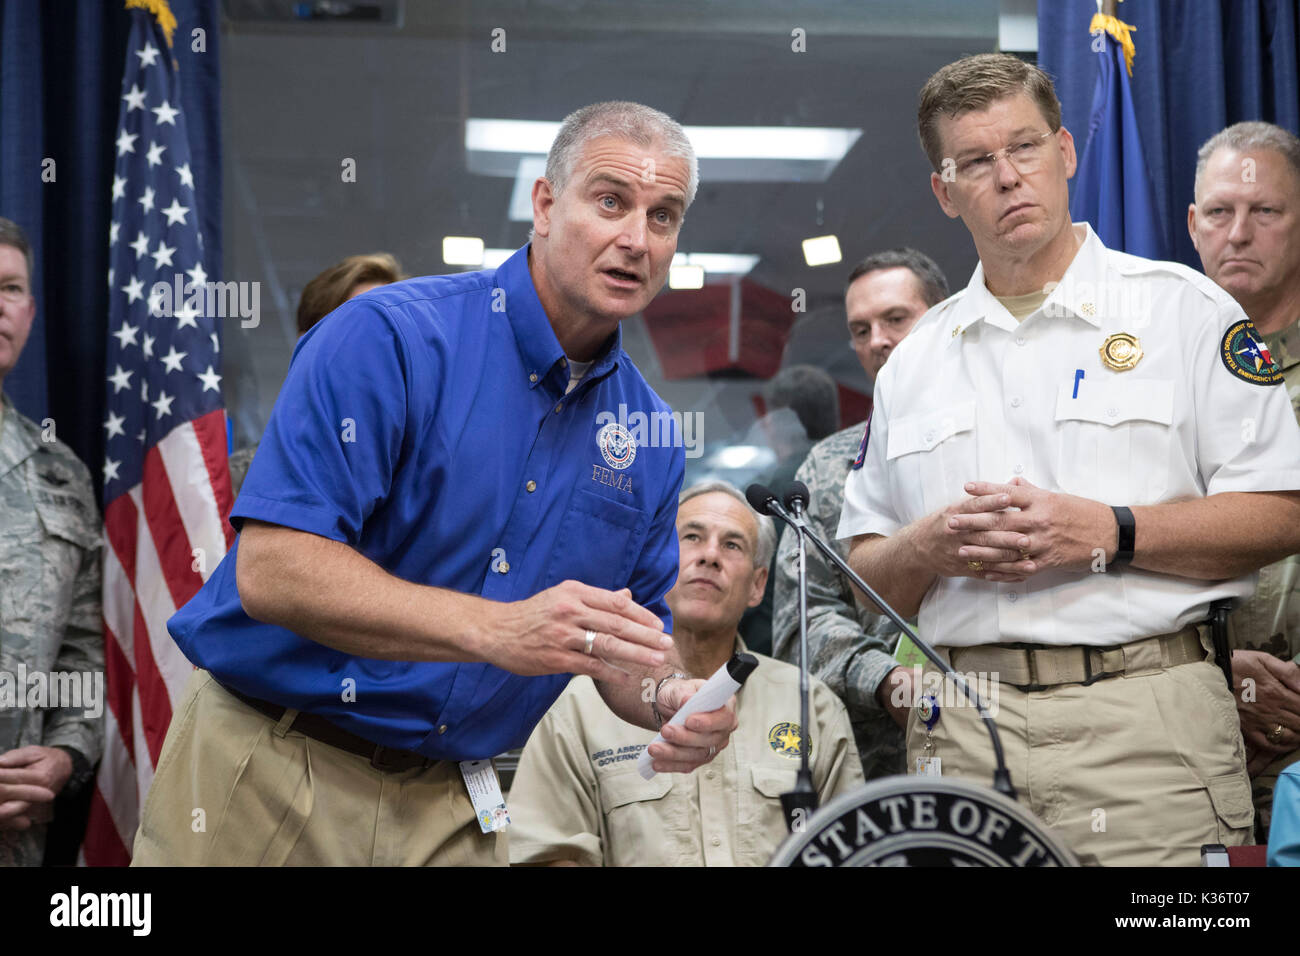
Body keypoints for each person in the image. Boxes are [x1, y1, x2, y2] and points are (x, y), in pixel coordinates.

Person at [131, 101, 737, 867]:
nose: (635, 240)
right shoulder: (387, 339)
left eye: (663, 216)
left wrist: (669, 698)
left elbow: (626, 647)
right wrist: (498, 629)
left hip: (459, 802)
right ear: (544, 204)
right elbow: (274, 570)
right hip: (276, 764)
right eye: (610, 201)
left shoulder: (648, 438)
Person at [839, 54, 1300, 866]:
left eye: (1025, 148)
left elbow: (1282, 510)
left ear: (1066, 153)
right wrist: (929, 545)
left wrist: (1109, 529)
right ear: (945, 193)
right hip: (963, 736)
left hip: (1147, 727)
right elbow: (865, 576)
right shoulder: (914, 362)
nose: (1009, 178)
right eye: (976, 163)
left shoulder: (1185, 313)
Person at [508, 481, 863, 866]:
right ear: (657, 563)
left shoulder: (811, 706)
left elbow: (857, 852)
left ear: (758, 585)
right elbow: (548, 855)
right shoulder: (579, 706)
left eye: (732, 545)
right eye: (692, 537)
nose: (710, 556)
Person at [771, 249, 948, 780]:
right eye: (860, 329)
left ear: (944, 319)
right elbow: (800, 620)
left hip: (1005, 738)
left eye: (896, 319)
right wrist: (884, 679)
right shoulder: (828, 468)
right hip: (872, 771)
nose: (877, 341)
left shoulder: (1007, 437)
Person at [1189, 121, 1300, 841]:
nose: (1239, 232)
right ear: (1193, 226)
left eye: (1266, 212)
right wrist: (1213, 672)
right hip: (1193, 728)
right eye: (1220, 212)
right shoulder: (1143, 379)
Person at [0, 217, 103, 866]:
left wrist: (66, 754)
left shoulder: (59, 471)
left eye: (10, 288)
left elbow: (80, 651)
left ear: (31, 313)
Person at [228, 252, 405, 496]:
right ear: (307, 346)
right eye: (358, 329)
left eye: (390, 334)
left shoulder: (426, 484)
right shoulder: (240, 481)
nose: (376, 350)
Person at [740, 364, 840, 654]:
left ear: (773, 423)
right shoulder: (858, 476)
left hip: (778, 650)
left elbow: (758, 581)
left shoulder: (772, 494)